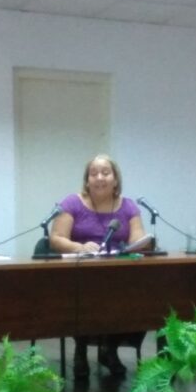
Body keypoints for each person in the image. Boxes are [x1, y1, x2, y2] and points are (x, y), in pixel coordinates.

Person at [50, 154, 147, 379]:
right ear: (87, 181)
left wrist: (135, 245)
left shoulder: (128, 206)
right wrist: (79, 247)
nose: (99, 178)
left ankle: (109, 349)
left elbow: (138, 239)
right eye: (93, 174)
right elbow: (56, 238)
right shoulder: (72, 203)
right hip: (81, 273)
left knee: (138, 296)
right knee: (86, 295)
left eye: (105, 173)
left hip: (117, 274)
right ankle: (81, 350)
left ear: (115, 179)